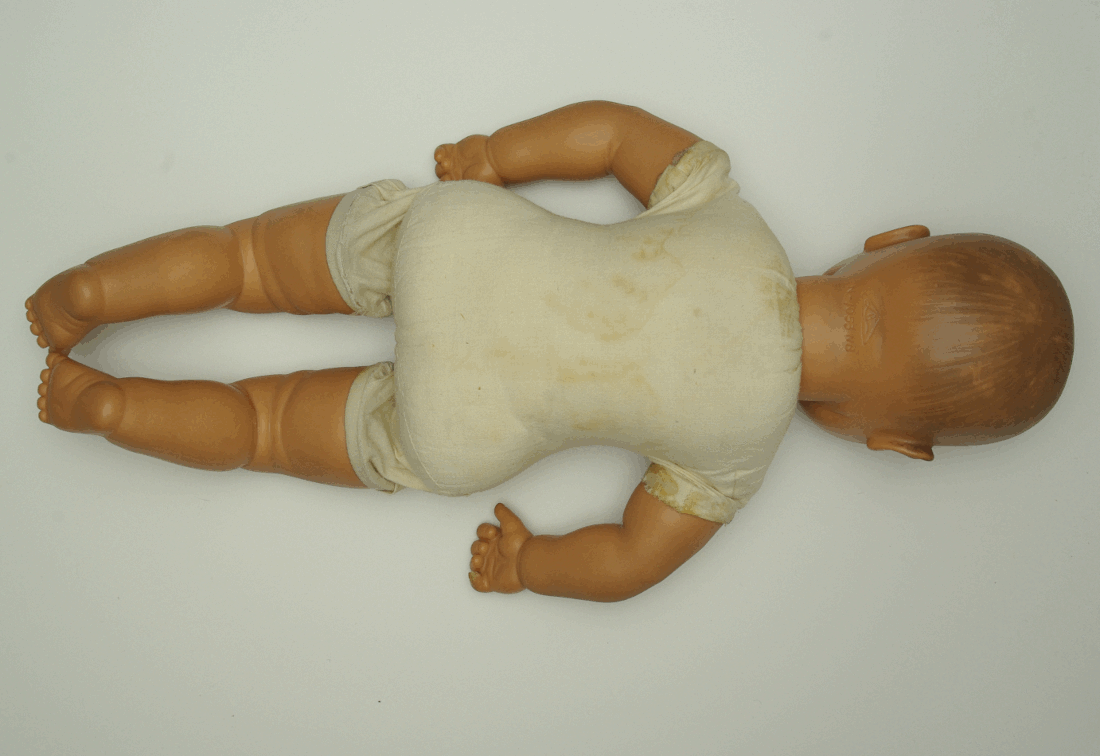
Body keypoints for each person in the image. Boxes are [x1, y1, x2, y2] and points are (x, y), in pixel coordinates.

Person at [25, 101, 1073, 602]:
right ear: (894, 440)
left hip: (465, 248)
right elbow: (627, 562)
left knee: (248, 260)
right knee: (261, 428)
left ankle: (91, 293)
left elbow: (613, 133)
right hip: (466, 422)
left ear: (891, 242)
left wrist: (496, 156)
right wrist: (529, 564)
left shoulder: (732, 215)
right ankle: (106, 410)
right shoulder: (738, 457)